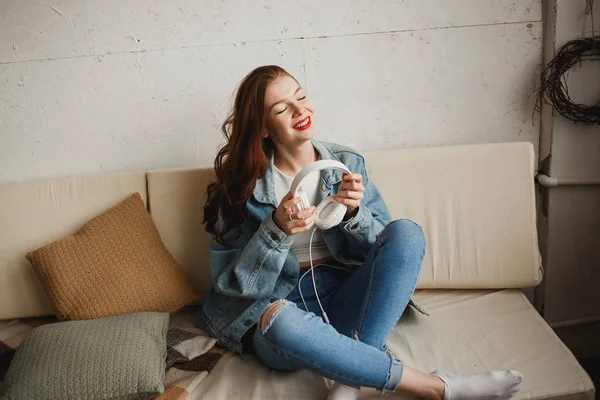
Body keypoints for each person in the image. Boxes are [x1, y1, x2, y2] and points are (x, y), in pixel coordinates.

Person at [196, 65, 523, 400]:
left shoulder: (345, 161)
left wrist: (354, 214)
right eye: (281, 109)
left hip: (344, 292)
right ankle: (438, 388)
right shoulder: (242, 184)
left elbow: (387, 252)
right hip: (281, 303)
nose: (299, 111)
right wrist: (275, 230)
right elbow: (232, 285)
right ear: (263, 128)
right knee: (280, 321)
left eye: (301, 97)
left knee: (407, 232)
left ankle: (349, 379)